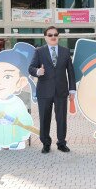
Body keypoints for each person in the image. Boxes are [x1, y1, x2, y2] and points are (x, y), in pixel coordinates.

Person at [29, 26, 76, 154]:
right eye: (50, 35)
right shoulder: (39, 51)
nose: (53, 37)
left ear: (58, 36)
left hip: (61, 91)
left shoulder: (65, 51)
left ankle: (61, 143)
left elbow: (71, 72)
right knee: (44, 118)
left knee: (61, 118)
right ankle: (46, 143)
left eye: (55, 34)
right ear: (45, 37)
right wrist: (38, 71)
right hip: (44, 91)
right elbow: (31, 68)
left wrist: (72, 90)